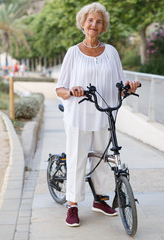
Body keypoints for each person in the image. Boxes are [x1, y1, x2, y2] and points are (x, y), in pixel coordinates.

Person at [55, 2, 139, 227]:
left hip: (104, 114)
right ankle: (72, 204)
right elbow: (60, 88)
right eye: (90, 20)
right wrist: (72, 91)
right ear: (83, 24)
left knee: (103, 158)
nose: (94, 24)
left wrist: (129, 86)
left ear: (103, 27)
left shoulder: (111, 52)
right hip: (79, 114)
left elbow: (119, 84)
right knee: (77, 158)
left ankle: (100, 199)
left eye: (98, 22)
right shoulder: (73, 52)